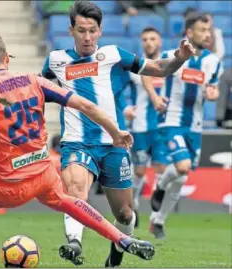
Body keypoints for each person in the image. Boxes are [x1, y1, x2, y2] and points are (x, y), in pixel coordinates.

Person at [0, 32, 156, 263]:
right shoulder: (35, 80)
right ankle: (121, 238)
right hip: (44, 174)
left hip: (8, 184)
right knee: (69, 202)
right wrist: (115, 131)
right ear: (6, 58)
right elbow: (86, 106)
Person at [41, 1, 195, 267]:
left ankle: (115, 255)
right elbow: (36, 90)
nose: (87, 36)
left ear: (100, 31)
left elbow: (159, 68)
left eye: (92, 30)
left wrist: (179, 58)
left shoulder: (113, 54)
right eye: (81, 30)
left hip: (113, 144)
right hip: (77, 142)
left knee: (125, 214)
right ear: (71, 30)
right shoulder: (56, 60)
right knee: (76, 191)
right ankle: (75, 244)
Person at [149, 13, 222, 239]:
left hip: (195, 127)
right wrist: (154, 97)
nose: (207, 34)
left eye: (208, 30)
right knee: (182, 167)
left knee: (182, 178)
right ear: (189, 33)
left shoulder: (213, 61)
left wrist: (212, 93)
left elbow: (213, 89)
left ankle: (158, 220)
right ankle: (160, 185)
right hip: (171, 120)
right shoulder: (171, 55)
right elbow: (147, 74)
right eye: (202, 30)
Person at [123, 27, 169, 229]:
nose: (149, 42)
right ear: (141, 43)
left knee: (162, 169)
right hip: (140, 126)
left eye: (153, 38)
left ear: (159, 42)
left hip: (163, 126)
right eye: (145, 39)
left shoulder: (169, 66)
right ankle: (133, 204)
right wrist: (125, 108)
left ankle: (156, 215)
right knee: (139, 171)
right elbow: (117, 91)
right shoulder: (135, 67)